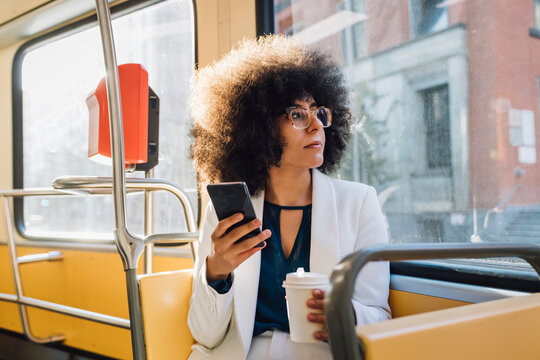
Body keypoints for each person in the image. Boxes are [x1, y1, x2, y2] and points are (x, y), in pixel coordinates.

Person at [187, 35, 390, 360]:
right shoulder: (223, 212)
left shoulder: (360, 203)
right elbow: (205, 336)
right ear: (260, 127)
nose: (316, 126)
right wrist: (217, 272)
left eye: (319, 112)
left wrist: (344, 313)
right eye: (297, 114)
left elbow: (379, 317)